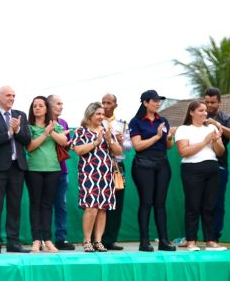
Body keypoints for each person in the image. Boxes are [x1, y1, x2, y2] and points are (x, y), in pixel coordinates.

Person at [0, 86, 32, 254]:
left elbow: (26, 140)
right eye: (8, 95)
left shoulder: (21, 115)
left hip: (17, 167)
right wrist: (9, 133)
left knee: (15, 206)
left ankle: (13, 242)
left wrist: (17, 130)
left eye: (14, 95)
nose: (12, 98)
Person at [129, 89, 177, 252]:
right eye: (154, 100)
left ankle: (163, 240)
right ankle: (144, 241)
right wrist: (156, 137)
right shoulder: (136, 122)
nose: (158, 103)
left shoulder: (162, 120)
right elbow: (137, 145)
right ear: (145, 103)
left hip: (162, 164)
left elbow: (168, 146)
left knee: (160, 204)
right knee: (146, 202)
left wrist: (169, 137)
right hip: (143, 165)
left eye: (159, 101)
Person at [175, 101, 226, 251]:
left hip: (212, 168)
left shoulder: (212, 127)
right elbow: (183, 151)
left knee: (210, 206)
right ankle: (191, 241)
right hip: (191, 169)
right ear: (191, 112)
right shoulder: (183, 129)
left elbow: (220, 151)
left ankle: (211, 241)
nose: (204, 113)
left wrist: (216, 141)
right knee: (193, 206)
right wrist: (205, 141)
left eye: (205, 111)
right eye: (200, 110)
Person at [72, 102, 122, 252]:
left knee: (102, 208)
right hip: (89, 173)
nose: (101, 117)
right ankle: (87, 240)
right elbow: (78, 150)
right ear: (90, 115)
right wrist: (96, 142)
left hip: (106, 173)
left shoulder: (107, 130)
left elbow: (118, 151)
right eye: (98, 114)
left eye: (102, 114)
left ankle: (98, 241)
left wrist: (109, 140)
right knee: (91, 208)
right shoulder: (81, 131)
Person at [25, 96, 67, 253]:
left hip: (53, 170)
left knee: (47, 205)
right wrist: (44, 134)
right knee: (35, 204)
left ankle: (47, 240)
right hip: (34, 170)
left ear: (46, 109)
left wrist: (51, 132)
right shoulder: (29, 127)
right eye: (35, 106)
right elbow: (29, 147)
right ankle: (36, 240)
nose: (37, 108)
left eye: (40, 105)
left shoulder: (55, 125)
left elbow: (63, 141)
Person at [202, 88, 230, 243]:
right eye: (207, 102)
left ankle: (214, 237)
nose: (209, 105)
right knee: (196, 202)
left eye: (213, 102)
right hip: (198, 164)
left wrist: (218, 126)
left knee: (217, 203)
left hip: (219, 166)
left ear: (219, 102)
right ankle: (191, 237)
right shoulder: (198, 114)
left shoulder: (225, 118)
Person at [100, 93, 132, 250]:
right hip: (100, 164)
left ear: (115, 105)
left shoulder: (122, 124)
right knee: (100, 202)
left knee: (117, 203)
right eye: (103, 102)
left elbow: (128, 146)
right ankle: (97, 239)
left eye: (108, 103)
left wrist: (121, 142)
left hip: (117, 166)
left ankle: (111, 239)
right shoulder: (97, 121)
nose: (105, 105)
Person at [48, 95, 75, 250]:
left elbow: (67, 146)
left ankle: (61, 238)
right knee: (44, 205)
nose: (61, 107)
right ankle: (44, 238)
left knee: (61, 205)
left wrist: (68, 144)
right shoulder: (41, 123)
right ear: (49, 106)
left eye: (62, 104)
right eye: (58, 104)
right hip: (45, 169)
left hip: (62, 170)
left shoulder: (64, 123)